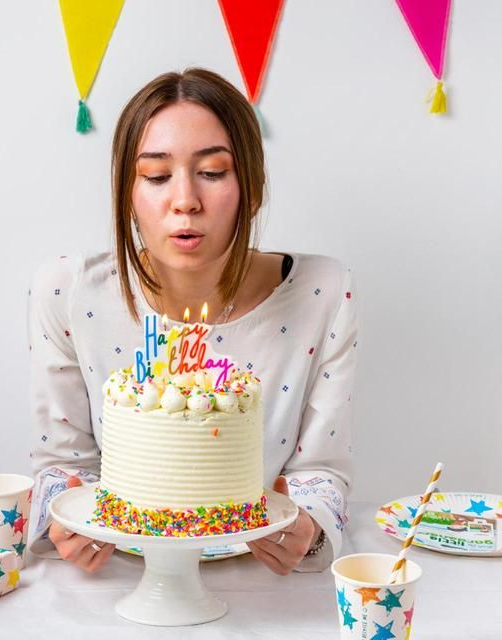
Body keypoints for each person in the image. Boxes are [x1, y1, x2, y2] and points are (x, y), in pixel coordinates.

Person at [27, 67, 359, 576]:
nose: (185, 201)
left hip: (265, 585)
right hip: (118, 579)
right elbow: (63, 466)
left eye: (213, 171)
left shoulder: (323, 293)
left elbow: (320, 470)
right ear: (126, 194)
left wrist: (309, 527)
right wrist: (62, 513)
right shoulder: (67, 294)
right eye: (157, 176)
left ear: (252, 185)